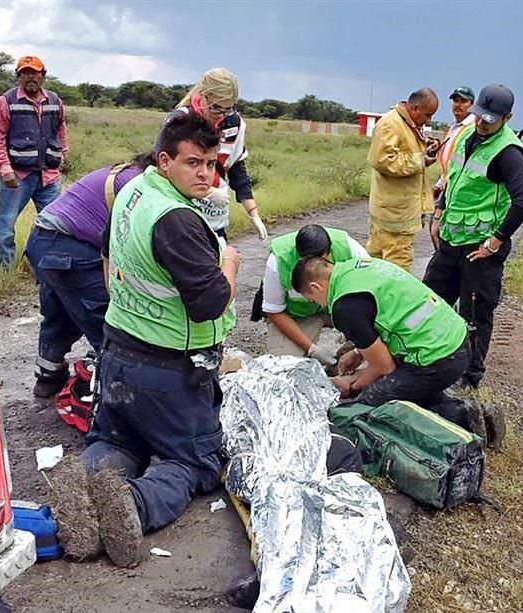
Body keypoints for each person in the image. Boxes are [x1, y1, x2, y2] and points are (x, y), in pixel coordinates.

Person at [51, 112, 240, 568]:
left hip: (119, 355)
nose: (204, 174)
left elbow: (106, 257)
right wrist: (230, 263)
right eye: (193, 162)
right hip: (169, 371)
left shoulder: (133, 192)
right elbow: (211, 303)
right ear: (165, 160)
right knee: (194, 462)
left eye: (210, 164)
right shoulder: (176, 219)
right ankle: (133, 506)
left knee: (122, 442)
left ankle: (83, 486)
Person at [291, 256, 500, 436]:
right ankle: (463, 410)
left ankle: (462, 417)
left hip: (438, 358)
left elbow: (384, 367)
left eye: (313, 300)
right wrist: (358, 352)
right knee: (405, 388)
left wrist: (351, 385)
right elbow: (383, 314)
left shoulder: (343, 306)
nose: (318, 305)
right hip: (456, 338)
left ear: (316, 287)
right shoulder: (358, 266)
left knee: (367, 405)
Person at [425, 84, 523, 388]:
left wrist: (495, 242)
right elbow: (453, 178)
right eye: (479, 117)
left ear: (507, 118)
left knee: (474, 314)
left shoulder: (508, 153)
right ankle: (426, 358)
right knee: (430, 301)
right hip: (450, 239)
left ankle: (469, 378)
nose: (482, 124)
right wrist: (438, 213)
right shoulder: (466, 136)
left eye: (490, 120)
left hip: (479, 249)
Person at [23, 151, 154, 397]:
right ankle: (121, 396)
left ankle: (48, 376)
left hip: (42, 242)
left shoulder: (122, 172)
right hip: (68, 250)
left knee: (61, 314)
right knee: (109, 319)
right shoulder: (142, 185)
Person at [160, 68, 267, 241]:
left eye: (228, 109)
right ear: (203, 95)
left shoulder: (233, 123)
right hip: (182, 217)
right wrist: (207, 191)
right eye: (215, 108)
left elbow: (236, 168)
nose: (221, 116)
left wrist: (253, 213)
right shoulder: (179, 121)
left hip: (215, 219)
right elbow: (162, 170)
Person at [0, 55, 67, 268]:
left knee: (53, 225)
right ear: (18, 76)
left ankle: (45, 269)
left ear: (43, 75)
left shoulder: (55, 101)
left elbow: (61, 129)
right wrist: (5, 169)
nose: (30, 77)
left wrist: (62, 157)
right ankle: (4, 271)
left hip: (49, 175)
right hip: (17, 176)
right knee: (6, 225)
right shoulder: (6, 102)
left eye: (34, 73)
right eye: (25, 73)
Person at [255, 224, 368, 364]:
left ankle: (352, 353)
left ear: (330, 252)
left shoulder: (350, 249)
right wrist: (311, 349)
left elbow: (373, 293)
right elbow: (274, 312)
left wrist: (357, 330)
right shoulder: (278, 261)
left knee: (373, 342)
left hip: (339, 309)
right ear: (298, 254)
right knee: (284, 364)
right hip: (297, 317)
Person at [366, 88, 440, 272]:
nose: (428, 120)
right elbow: (383, 160)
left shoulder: (406, 124)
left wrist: (425, 148)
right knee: (397, 272)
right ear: (414, 108)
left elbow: (405, 150)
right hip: (395, 218)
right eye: (427, 114)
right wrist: (420, 160)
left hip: (394, 212)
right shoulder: (390, 124)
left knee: (376, 267)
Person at [431, 86, 477, 242]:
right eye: (456, 101)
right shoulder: (454, 127)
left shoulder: (473, 128)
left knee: (443, 231)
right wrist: (440, 182)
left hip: (459, 190)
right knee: (437, 230)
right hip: (447, 184)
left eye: (463, 101)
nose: (458, 105)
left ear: (472, 104)